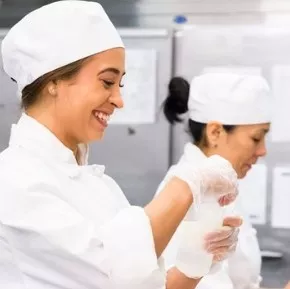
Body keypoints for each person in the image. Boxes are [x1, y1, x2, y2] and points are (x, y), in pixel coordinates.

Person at [0, 1, 241, 289]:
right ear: (54, 80)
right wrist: (187, 183)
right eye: (107, 82)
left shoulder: (100, 187)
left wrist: (195, 261)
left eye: (120, 85)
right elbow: (114, 277)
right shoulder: (15, 182)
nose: (118, 100)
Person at [157, 73, 272, 289]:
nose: (262, 150)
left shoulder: (218, 187)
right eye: (256, 138)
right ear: (215, 132)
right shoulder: (188, 195)